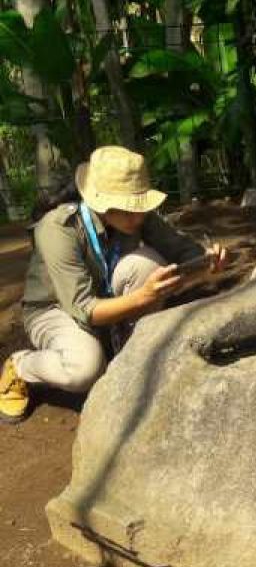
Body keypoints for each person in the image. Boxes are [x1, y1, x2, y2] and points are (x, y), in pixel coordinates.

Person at [0, 146, 228, 424]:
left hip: (103, 298)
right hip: (55, 309)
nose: (139, 217)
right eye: (131, 209)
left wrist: (206, 262)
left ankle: (127, 358)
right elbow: (84, 309)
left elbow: (181, 249)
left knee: (148, 264)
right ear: (101, 203)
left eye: (141, 207)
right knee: (84, 369)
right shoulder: (57, 229)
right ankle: (21, 366)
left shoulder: (136, 216)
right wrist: (143, 297)